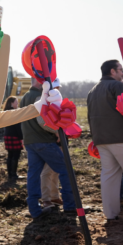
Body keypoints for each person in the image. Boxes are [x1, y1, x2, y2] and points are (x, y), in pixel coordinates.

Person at [87, 59, 123, 221]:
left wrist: (95, 139)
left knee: (109, 176)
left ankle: (111, 214)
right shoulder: (118, 87)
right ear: (112, 71)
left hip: (102, 140)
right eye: (120, 70)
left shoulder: (92, 91)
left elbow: (90, 117)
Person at [21, 77, 76, 219]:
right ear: (40, 82)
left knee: (33, 175)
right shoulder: (40, 96)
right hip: (44, 141)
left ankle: (35, 210)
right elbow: (42, 119)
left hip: (30, 141)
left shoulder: (25, 97)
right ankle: (70, 205)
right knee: (65, 169)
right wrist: (57, 131)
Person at [40, 78, 64, 208]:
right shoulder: (45, 101)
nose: (57, 90)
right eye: (55, 88)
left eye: (58, 88)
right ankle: (46, 198)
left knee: (56, 171)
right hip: (50, 140)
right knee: (47, 171)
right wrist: (57, 132)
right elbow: (42, 120)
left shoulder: (58, 100)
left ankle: (55, 196)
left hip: (59, 141)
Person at [3, 96, 24, 181]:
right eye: (16, 102)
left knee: (10, 155)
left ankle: (10, 174)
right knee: (16, 155)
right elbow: (18, 127)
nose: (17, 104)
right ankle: (14, 174)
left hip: (7, 135)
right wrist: (21, 138)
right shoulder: (14, 113)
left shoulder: (5, 112)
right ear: (12, 103)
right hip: (15, 136)